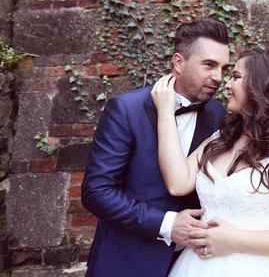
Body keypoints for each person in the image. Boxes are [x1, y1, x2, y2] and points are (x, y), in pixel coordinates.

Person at [151, 48, 269, 276]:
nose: (227, 84)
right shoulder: (218, 140)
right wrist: (165, 112)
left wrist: (236, 240)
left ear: (261, 86)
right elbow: (177, 183)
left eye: (236, 77)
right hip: (196, 267)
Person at [81, 20, 231, 277]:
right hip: (125, 262)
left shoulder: (220, 115)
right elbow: (97, 192)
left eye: (223, 68)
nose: (218, 77)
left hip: (194, 264)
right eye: (209, 65)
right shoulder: (126, 110)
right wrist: (168, 224)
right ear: (178, 63)